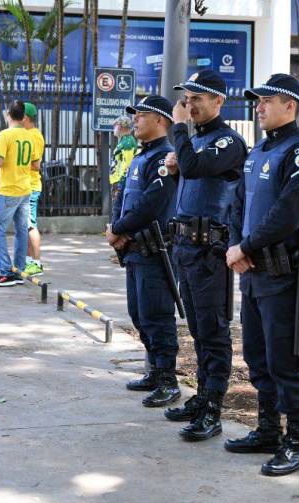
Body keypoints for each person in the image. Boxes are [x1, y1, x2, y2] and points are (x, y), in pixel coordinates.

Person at [224, 74, 299, 476]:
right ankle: (267, 430)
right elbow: (237, 206)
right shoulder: (257, 152)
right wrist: (237, 247)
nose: (259, 106)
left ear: (291, 105)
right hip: (253, 274)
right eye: (257, 101)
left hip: (285, 276)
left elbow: (288, 213)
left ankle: (296, 441)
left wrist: (244, 247)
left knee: (288, 361)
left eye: (268, 100)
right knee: (257, 356)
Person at [163, 69, 248, 441]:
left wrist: (178, 131)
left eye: (197, 98)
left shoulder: (227, 141)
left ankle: (213, 407)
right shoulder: (195, 143)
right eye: (187, 98)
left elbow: (196, 169)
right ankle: (201, 396)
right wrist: (174, 161)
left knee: (213, 332)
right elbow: (188, 177)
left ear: (218, 101)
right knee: (197, 330)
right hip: (185, 248)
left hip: (210, 250)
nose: (188, 104)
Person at [107, 95, 180, 408]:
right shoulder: (140, 156)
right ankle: (153, 372)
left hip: (154, 250)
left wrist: (120, 229)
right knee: (139, 314)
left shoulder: (164, 158)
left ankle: (168, 379)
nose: (134, 120)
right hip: (134, 250)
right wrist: (115, 229)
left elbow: (151, 204)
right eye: (134, 115)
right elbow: (123, 196)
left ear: (161, 120)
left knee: (157, 315)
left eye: (141, 115)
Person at [0, 100, 40, 288]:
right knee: (21, 231)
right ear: (23, 115)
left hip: (9, 189)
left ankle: (5, 272)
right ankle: (19, 270)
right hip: (25, 188)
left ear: (8, 114)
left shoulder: (5, 135)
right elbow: (36, 164)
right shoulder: (29, 135)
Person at [22, 102, 45, 276]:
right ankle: (29, 261)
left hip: (31, 185)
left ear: (26, 118)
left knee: (31, 225)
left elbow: (36, 165)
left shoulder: (34, 136)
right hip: (24, 186)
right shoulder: (26, 134)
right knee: (26, 225)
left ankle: (36, 263)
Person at [109, 116, 137, 204]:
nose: (114, 128)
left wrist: (121, 184)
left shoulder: (128, 142)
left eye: (115, 125)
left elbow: (127, 165)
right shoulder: (124, 141)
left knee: (118, 210)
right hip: (117, 182)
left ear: (121, 127)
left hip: (121, 183)